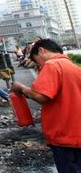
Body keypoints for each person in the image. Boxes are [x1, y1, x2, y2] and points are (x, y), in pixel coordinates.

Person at [11, 39, 81, 172]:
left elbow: (41, 96)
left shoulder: (52, 65)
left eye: (37, 60)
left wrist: (22, 88)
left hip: (64, 134)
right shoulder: (72, 66)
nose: (38, 65)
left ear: (42, 50)